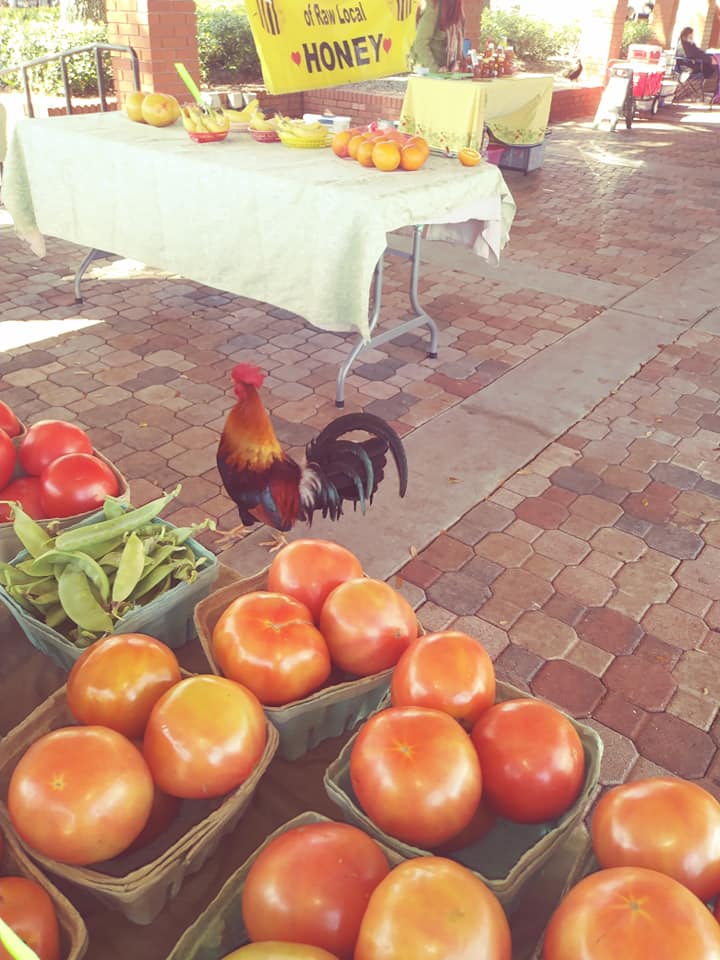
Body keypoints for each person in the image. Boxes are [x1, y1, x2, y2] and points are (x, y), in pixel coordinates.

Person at [410, 0, 465, 73]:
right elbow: (420, 44)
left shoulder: (459, 12)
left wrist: (462, 63)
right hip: (426, 71)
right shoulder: (433, 8)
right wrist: (435, 69)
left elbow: (457, 49)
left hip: (446, 72)